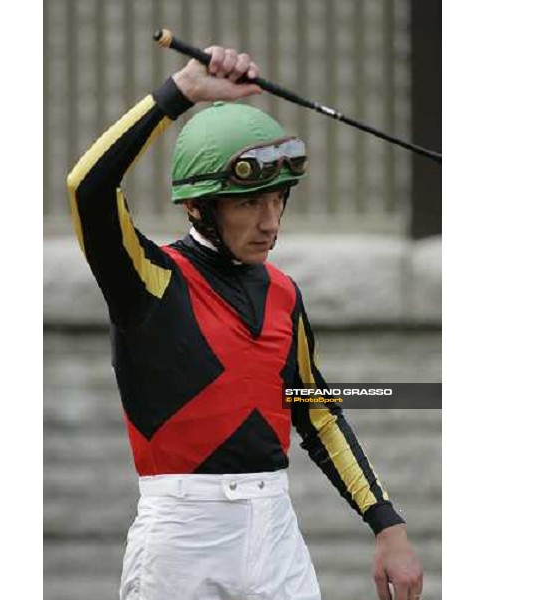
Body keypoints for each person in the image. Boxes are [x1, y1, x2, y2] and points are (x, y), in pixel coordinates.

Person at [67, 45, 422, 600]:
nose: (270, 222)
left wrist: (388, 525)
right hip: (181, 538)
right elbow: (87, 188)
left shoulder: (284, 293)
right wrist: (178, 93)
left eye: (278, 201)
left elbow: (319, 415)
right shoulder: (148, 280)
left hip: (275, 530)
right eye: (249, 204)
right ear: (199, 206)